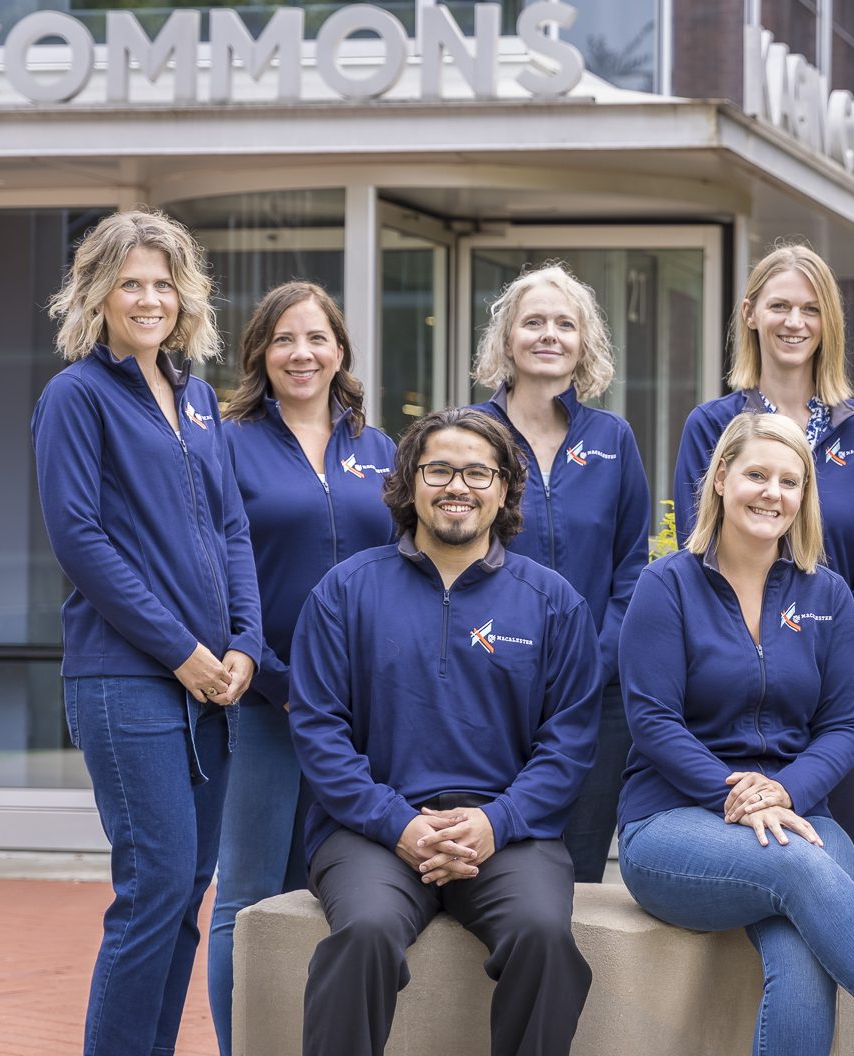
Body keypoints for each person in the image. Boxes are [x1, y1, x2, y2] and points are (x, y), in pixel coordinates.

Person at [617, 413, 854, 1056]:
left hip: (798, 813)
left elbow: (846, 722)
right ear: (721, 478)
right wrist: (736, 793)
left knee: (804, 951)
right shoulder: (666, 585)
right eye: (757, 474)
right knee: (805, 869)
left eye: (790, 481)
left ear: (805, 496)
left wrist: (782, 792)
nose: (772, 493)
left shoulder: (827, 593)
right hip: (672, 819)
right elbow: (653, 719)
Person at [287, 407, 601, 1056]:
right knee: (364, 933)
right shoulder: (344, 592)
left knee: (544, 937)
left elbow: (569, 744)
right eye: (439, 470)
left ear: (505, 489)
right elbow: (319, 733)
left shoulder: (554, 603)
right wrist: (397, 823)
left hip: (509, 834)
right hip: (368, 831)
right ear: (409, 482)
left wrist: (497, 822)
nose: (458, 486)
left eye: (477, 473)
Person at [31, 209, 262, 1056]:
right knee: (154, 886)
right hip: (125, 679)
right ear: (97, 294)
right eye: (130, 283)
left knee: (188, 890)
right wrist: (183, 652)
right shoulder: (75, 398)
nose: (149, 299)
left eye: (163, 283)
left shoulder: (197, 398)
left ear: (185, 294)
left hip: (212, 681)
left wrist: (245, 642)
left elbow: (231, 527)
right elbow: (79, 540)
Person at [208, 281, 397, 1055]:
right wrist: (279, 680)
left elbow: (405, 569)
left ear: (340, 350)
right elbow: (213, 573)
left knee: (328, 895)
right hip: (263, 704)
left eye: (317, 337)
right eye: (284, 339)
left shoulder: (380, 449)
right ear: (259, 352)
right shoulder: (227, 444)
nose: (302, 353)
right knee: (248, 896)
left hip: (359, 716)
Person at [672, 243, 854, 843]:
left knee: (827, 857)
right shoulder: (711, 426)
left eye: (810, 308)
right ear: (750, 313)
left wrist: (841, 670)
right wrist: (753, 666)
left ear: (830, 321)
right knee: (748, 860)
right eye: (779, 306)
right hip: (730, 698)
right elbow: (699, 555)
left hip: (839, 704)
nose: (794, 322)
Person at [471, 263, 651, 883]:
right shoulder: (469, 434)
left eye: (564, 324)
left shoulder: (613, 439)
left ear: (584, 342)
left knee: (581, 871)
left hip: (598, 696)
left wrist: (594, 664)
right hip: (489, 686)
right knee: (497, 864)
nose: (549, 334)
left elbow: (632, 566)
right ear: (507, 339)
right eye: (533, 322)